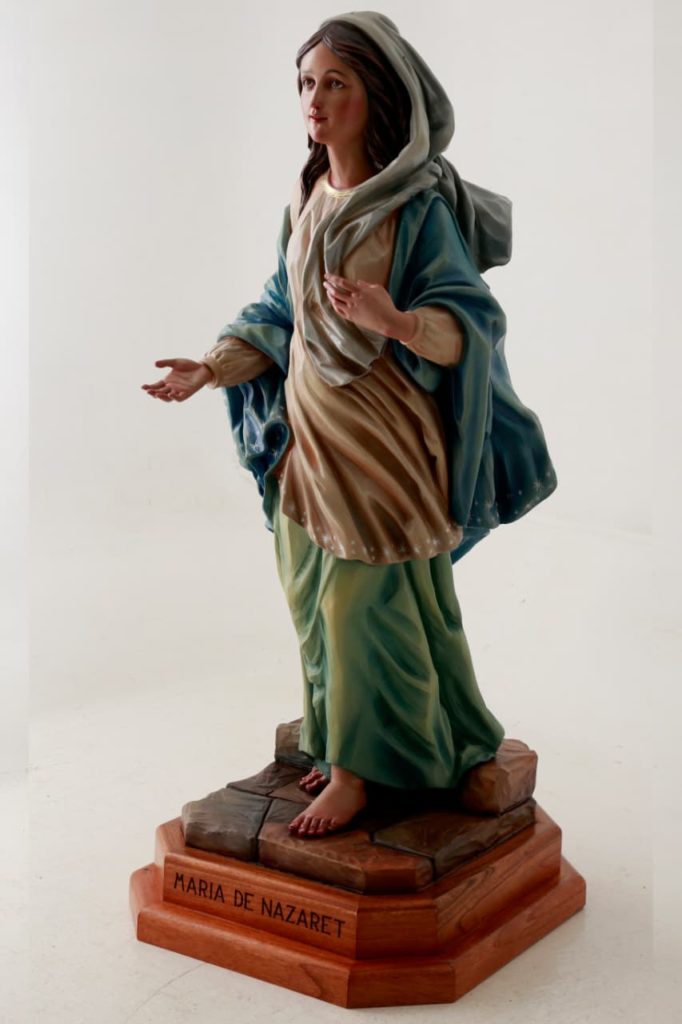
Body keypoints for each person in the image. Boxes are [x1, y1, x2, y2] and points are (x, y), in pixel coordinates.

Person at [142, 13, 557, 840]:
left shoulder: (414, 211)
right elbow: (278, 315)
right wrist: (211, 368)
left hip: (383, 442)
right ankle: (350, 742)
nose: (316, 100)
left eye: (337, 83)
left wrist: (393, 319)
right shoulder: (305, 201)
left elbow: (470, 323)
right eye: (307, 82)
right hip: (309, 442)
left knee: (362, 605)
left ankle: (357, 777)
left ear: (378, 98)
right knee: (312, 597)